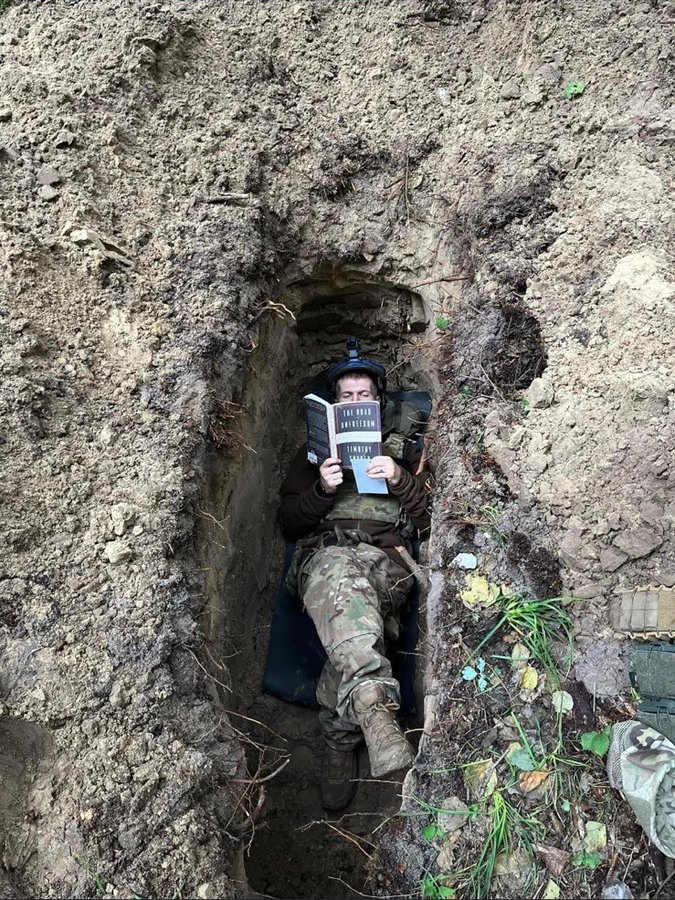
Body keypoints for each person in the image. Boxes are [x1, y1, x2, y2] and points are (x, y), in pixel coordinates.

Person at [279, 341, 430, 811]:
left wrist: (401, 482)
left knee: (355, 616)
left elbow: (432, 525)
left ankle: (342, 736)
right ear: (335, 408)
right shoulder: (313, 459)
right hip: (323, 560)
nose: (356, 402)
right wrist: (323, 489)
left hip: (386, 565)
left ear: (378, 403)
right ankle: (372, 709)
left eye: (364, 395)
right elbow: (289, 525)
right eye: (347, 397)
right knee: (344, 579)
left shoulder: (402, 455)